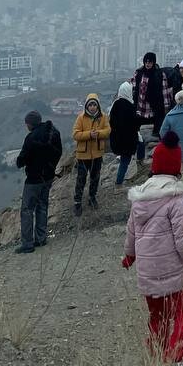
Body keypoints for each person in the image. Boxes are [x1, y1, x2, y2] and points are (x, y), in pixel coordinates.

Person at [122, 131, 183, 366]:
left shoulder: (140, 198)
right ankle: (176, 359)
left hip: (147, 271)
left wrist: (130, 256)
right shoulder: (176, 199)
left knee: (158, 314)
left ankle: (156, 355)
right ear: (176, 166)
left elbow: (131, 232)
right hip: (171, 270)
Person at [14, 109, 62, 254]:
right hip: (48, 176)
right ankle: (40, 238)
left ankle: (27, 244)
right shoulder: (54, 132)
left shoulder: (31, 138)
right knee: (42, 206)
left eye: (26, 123)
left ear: (30, 124)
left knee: (27, 210)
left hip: (34, 179)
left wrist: (21, 163)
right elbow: (58, 152)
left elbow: (22, 159)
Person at [72, 92, 111, 215]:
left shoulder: (103, 117)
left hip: (97, 154)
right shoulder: (81, 118)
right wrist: (89, 134)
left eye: (94, 104)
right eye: (90, 105)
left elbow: (108, 130)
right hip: (83, 155)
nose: (92, 107)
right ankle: (77, 202)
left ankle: (92, 197)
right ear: (87, 106)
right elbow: (75, 134)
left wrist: (98, 134)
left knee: (95, 177)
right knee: (81, 179)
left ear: (98, 105)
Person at [132, 52, 173, 161]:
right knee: (136, 128)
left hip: (155, 105)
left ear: (154, 62)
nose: (148, 64)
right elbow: (134, 88)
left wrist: (166, 105)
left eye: (150, 61)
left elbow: (164, 90)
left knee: (158, 127)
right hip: (141, 105)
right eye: (146, 61)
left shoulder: (160, 74)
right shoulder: (139, 73)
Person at [109, 81, 142, 185]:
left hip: (117, 139)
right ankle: (118, 184)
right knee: (125, 162)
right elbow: (135, 124)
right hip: (127, 141)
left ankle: (119, 181)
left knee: (124, 160)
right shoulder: (129, 106)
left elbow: (112, 122)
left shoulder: (115, 105)